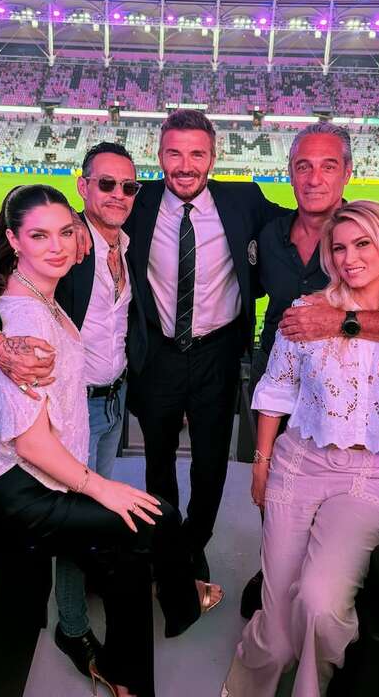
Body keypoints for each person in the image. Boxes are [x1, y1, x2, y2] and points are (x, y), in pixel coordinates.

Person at [0, 184, 222, 697]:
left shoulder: (39, 293)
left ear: (79, 236)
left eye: (64, 233)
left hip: (38, 473)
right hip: (10, 493)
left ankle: (122, 668)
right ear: (14, 240)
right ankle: (140, 655)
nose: (56, 246)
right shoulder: (24, 321)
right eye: (39, 235)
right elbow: (30, 444)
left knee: (134, 543)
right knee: (152, 516)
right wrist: (99, 486)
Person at [223, 200, 379, 697]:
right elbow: (275, 392)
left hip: (368, 478)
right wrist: (262, 464)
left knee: (320, 605)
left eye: (363, 244)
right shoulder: (307, 313)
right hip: (296, 464)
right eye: (339, 248)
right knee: (277, 619)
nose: (351, 257)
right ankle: (249, 684)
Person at [0, 142, 148, 673]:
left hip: (111, 401)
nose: (118, 195)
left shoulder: (132, 230)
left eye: (129, 186)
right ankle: (73, 629)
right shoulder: (61, 241)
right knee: (85, 519)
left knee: (95, 522)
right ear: (84, 186)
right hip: (57, 415)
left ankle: (112, 599)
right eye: (104, 184)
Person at [124, 108, 287, 581]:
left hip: (217, 352)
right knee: (158, 457)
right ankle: (165, 541)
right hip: (158, 353)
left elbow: (310, 229)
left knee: (211, 461)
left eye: (197, 153)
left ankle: (194, 544)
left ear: (213, 158)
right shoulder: (137, 201)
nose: (185, 164)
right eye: (174, 152)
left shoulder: (244, 202)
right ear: (159, 155)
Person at [241, 123, 379, 619]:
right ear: (290, 174)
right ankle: (274, 573)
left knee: (325, 493)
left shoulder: (361, 240)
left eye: (329, 165)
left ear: (348, 172)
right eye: (303, 166)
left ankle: (317, 580)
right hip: (273, 382)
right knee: (270, 488)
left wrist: (341, 321)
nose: (315, 178)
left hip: (335, 400)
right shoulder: (270, 235)